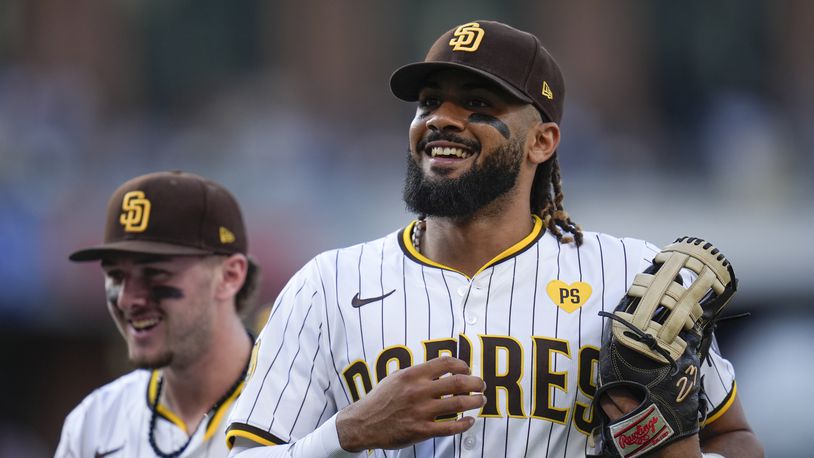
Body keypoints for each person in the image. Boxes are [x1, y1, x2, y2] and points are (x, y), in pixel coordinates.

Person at [226, 21, 763, 457]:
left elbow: (733, 439)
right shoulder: (326, 286)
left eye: (479, 106)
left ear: (542, 141)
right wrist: (345, 434)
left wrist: (673, 449)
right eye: (428, 102)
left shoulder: (626, 274)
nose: (441, 120)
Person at [56, 171, 260, 457]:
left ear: (229, 276)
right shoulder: (95, 423)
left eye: (154, 273)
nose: (127, 299)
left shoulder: (299, 408)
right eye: (115, 276)